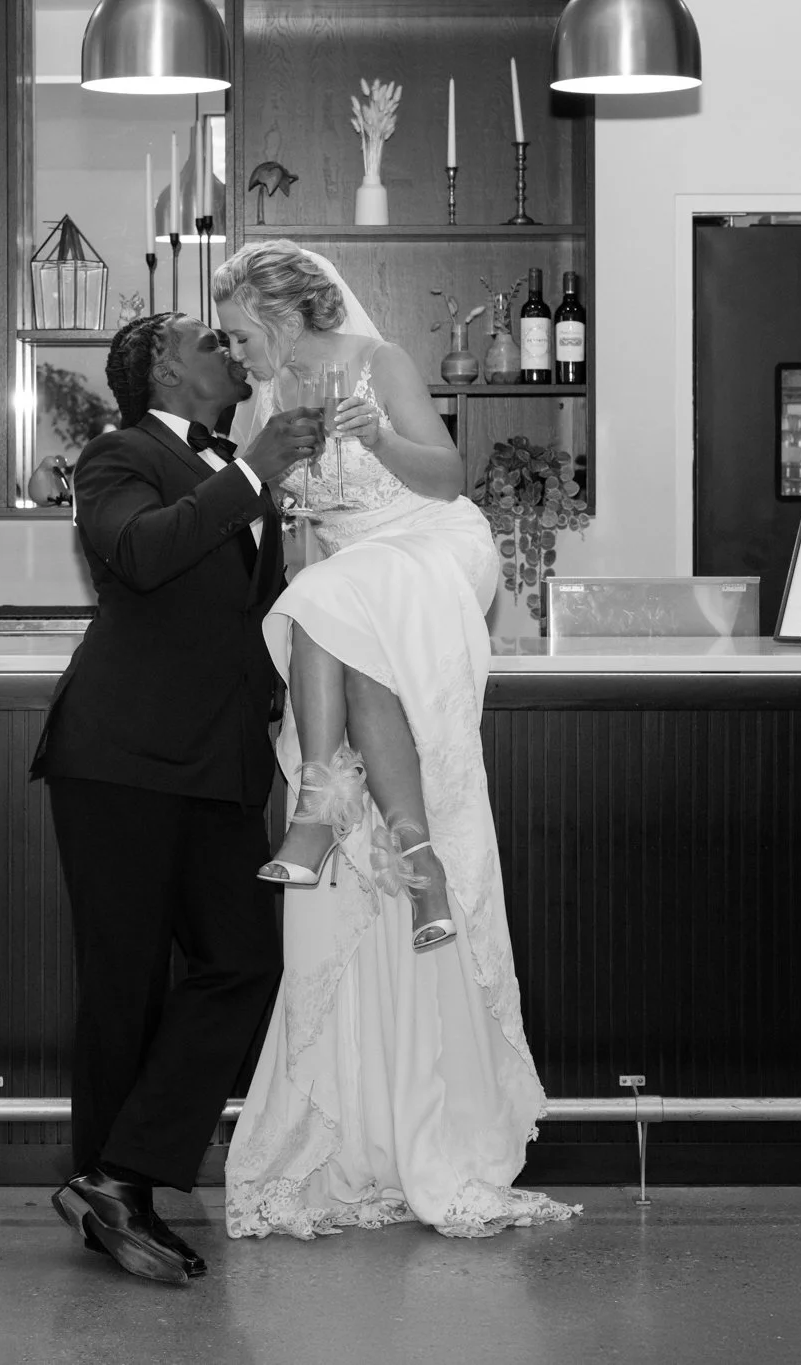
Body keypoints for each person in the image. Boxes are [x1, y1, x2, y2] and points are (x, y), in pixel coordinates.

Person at [212, 241, 580, 1240]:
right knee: (334, 604)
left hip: (433, 551)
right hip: (355, 594)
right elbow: (286, 533)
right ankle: (416, 856)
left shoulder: (379, 365)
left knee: (339, 597)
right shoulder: (264, 404)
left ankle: (319, 805)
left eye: (240, 333)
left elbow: (449, 477)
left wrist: (374, 436)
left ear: (286, 315)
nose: (234, 352)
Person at [30, 312, 325, 1284]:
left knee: (243, 961)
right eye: (210, 342)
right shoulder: (116, 455)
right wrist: (252, 475)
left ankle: (116, 1174)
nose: (231, 354)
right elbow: (141, 552)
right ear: (162, 368)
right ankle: (120, 1195)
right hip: (120, 755)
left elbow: (247, 612)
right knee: (124, 984)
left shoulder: (240, 468)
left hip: (219, 762)